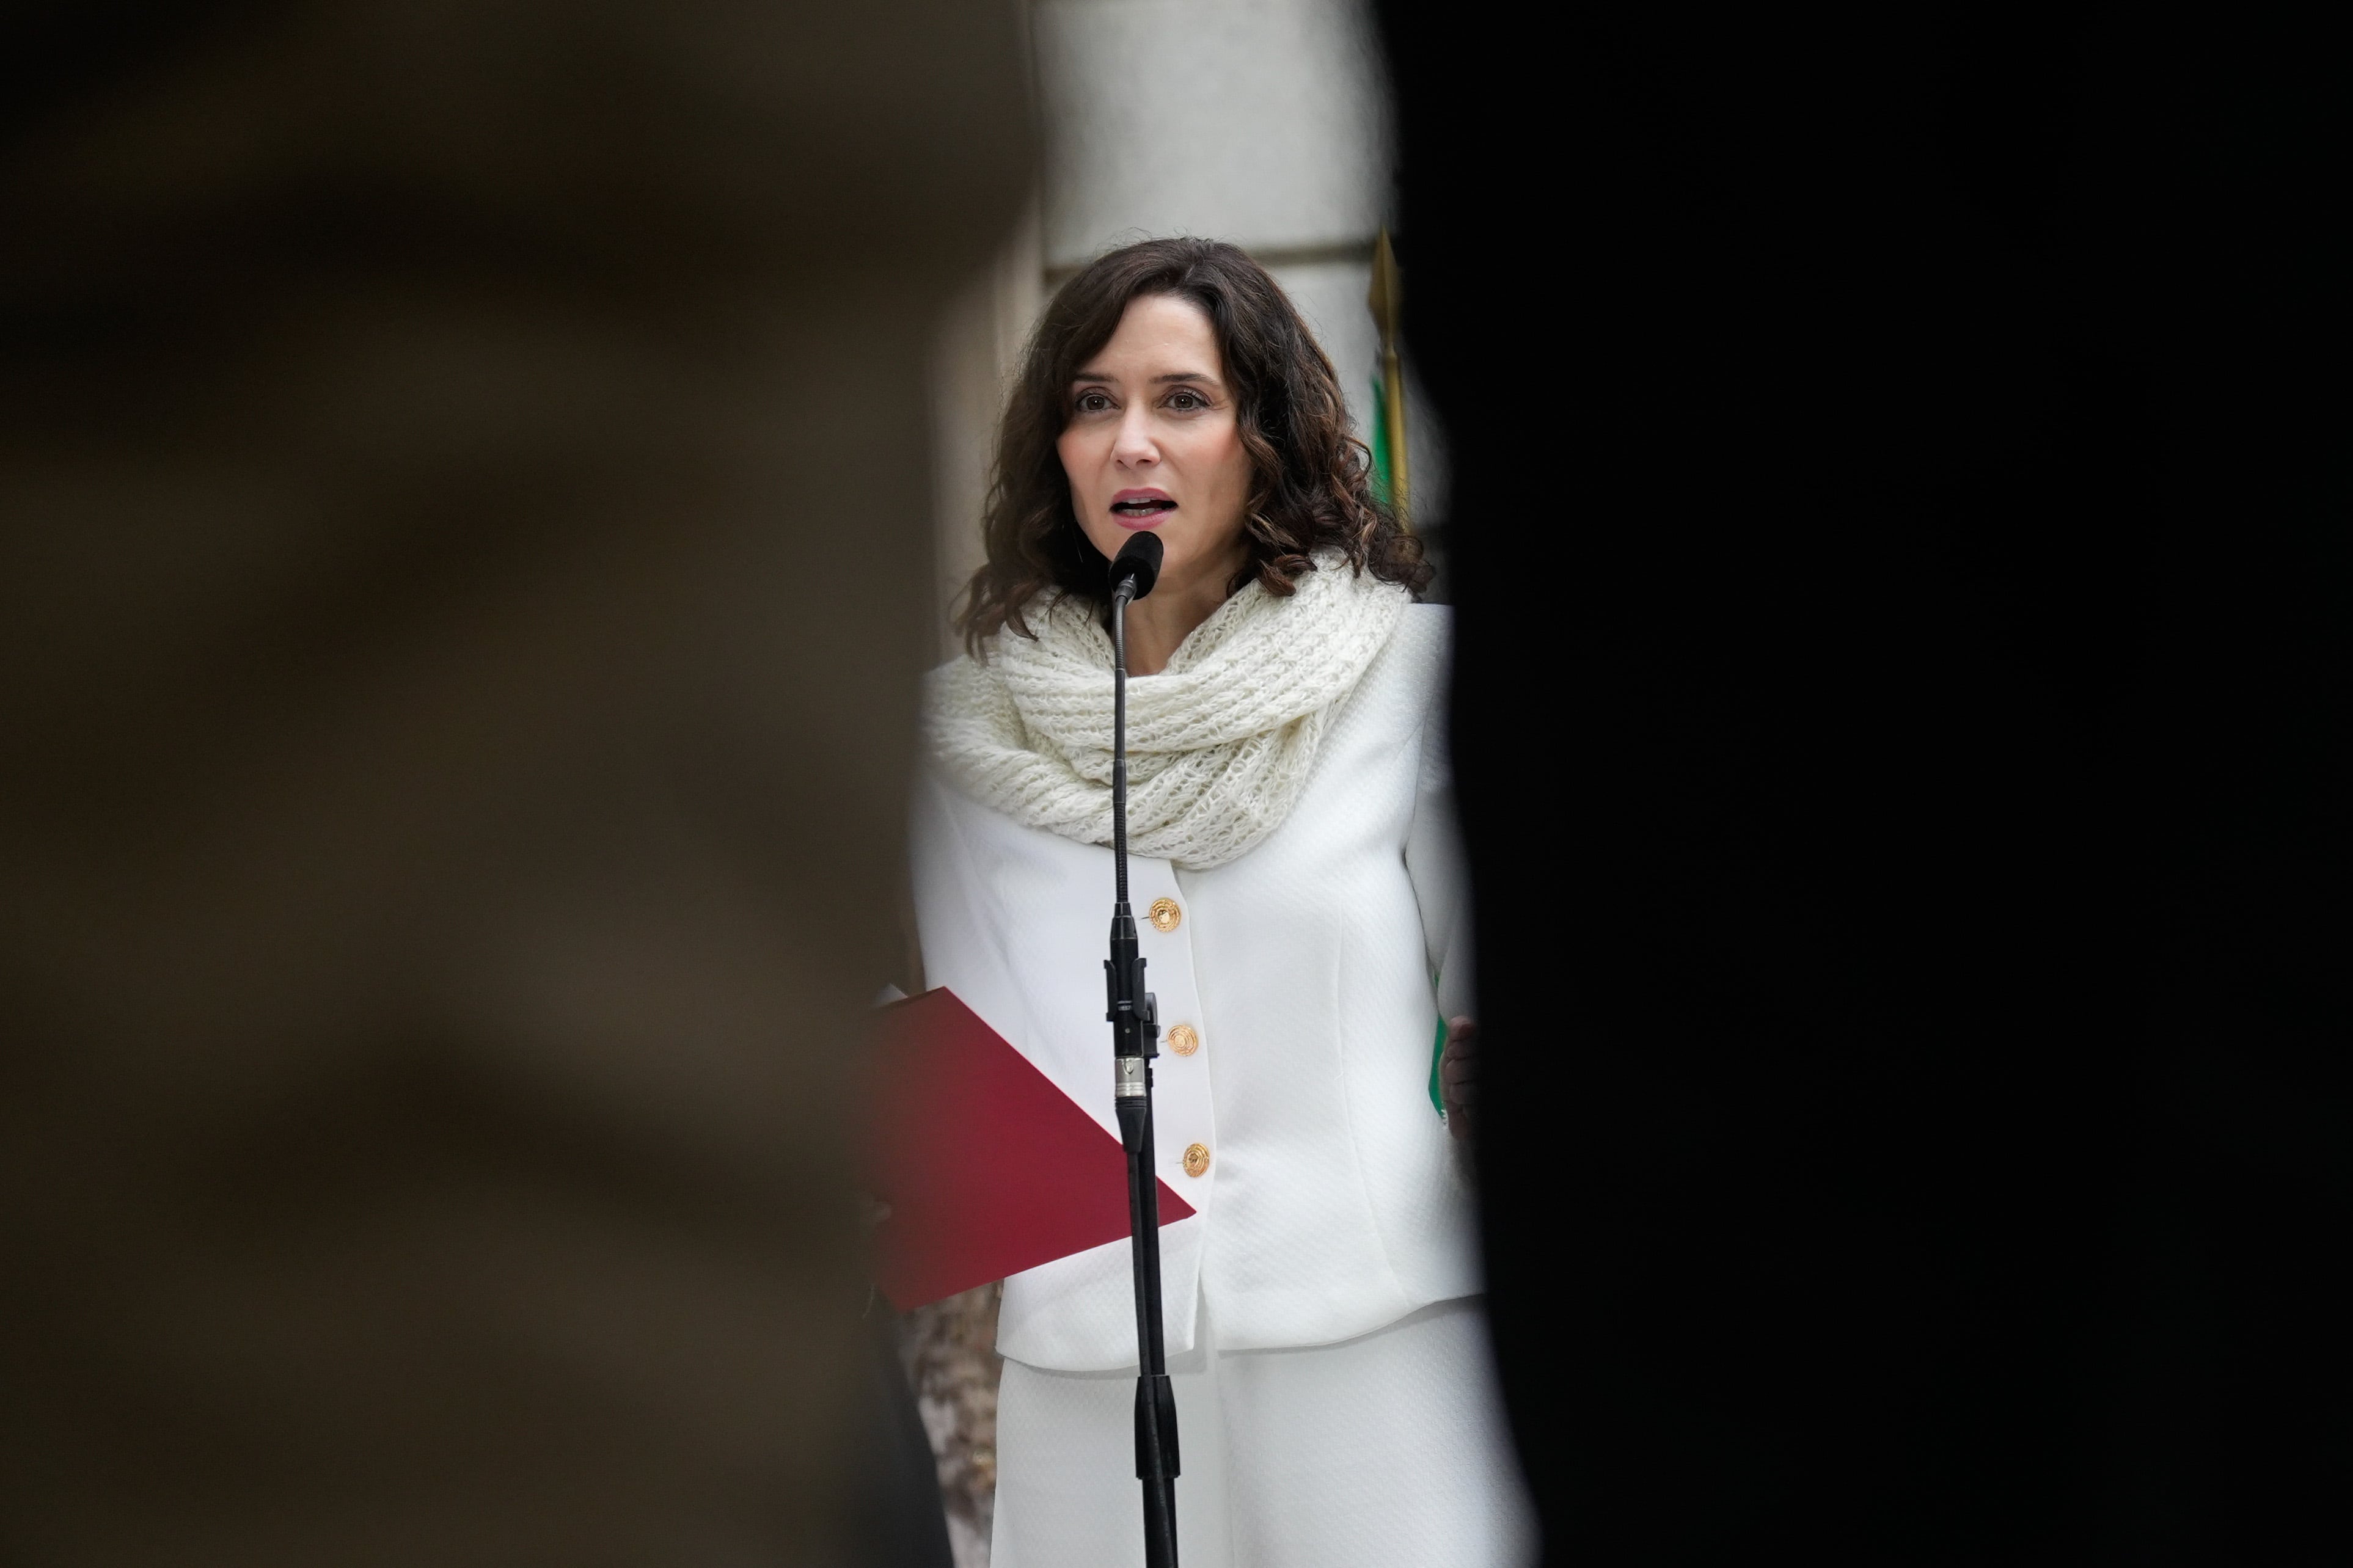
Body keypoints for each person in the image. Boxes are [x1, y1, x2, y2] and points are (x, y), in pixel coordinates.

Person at [911, 238, 1533, 1567]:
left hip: (1376, 1353)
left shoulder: (1406, 678)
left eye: (1182, 400)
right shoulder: (959, 743)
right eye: (1092, 403)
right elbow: (935, 1048)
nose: (1131, 441)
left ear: (1266, 436)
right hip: (1082, 1376)